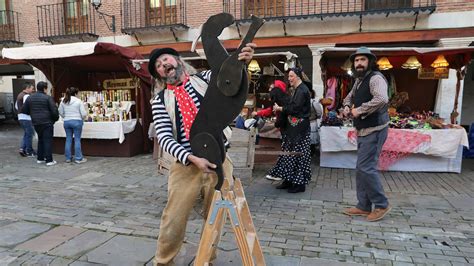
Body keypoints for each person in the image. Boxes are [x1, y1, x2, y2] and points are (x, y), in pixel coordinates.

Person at [149, 43, 256, 266]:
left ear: (177, 60)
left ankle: (207, 259)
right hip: (186, 165)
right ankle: (163, 262)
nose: (163, 65)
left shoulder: (205, 78)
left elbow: (228, 73)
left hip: (218, 160)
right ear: (159, 75)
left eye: (165, 60)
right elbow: (165, 139)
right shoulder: (160, 101)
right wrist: (190, 158)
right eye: (158, 66)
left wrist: (242, 60)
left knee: (215, 217)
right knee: (173, 219)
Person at [341, 47, 391, 222]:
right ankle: (363, 205)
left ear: (370, 61)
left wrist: (359, 110)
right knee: (362, 168)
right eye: (356, 60)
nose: (359, 63)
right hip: (363, 129)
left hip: (375, 129)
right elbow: (348, 97)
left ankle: (381, 204)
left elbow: (382, 99)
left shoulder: (376, 78)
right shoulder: (359, 80)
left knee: (366, 168)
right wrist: (347, 106)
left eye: (362, 59)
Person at [271, 67, 311, 193]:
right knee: (289, 154)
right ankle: (288, 180)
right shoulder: (297, 90)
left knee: (297, 155)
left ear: (298, 77)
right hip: (293, 128)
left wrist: (280, 109)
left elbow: (295, 108)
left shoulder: (302, 90)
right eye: (289, 76)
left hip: (299, 129)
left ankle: (299, 184)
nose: (289, 79)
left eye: (291, 76)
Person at [250, 80, 291, 181]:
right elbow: (270, 110)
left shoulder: (283, 102)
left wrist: (277, 122)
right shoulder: (280, 100)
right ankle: (281, 172)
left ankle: (281, 173)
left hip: (287, 129)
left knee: (286, 151)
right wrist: (259, 113)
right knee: (285, 150)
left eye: (271, 88)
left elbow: (279, 114)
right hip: (286, 129)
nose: (269, 90)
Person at [22, 81, 59, 166]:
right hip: (47, 122)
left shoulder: (30, 98)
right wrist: (55, 119)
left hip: (36, 122)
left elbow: (24, 110)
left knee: (41, 140)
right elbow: (54, 111)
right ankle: (49, 160)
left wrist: (32, 114)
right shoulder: (48, 98)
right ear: (45, 89)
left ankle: (40, 158)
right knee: (48, 140)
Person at [58, 87, 87, 164]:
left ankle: (68, 158)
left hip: (67, 121)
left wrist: (65, 116)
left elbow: (60, 112)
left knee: (68, 139)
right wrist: (82, 118)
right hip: (77, 121)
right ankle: (78, 158)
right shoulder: (78, 101)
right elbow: (83, 113)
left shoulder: (63, 101)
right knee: (77, 139)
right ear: (76, 93)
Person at [15, 82, 36, 157]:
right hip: (26, 118)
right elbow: (27, 106)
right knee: (29, 134)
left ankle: (22, 149)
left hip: (20, 117)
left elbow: (16, 107)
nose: (33, 90)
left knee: (26, 134)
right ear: (27, 88)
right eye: (32, 88)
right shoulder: (26, 96)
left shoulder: (19, 95)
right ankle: (29, 151)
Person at [309, 87, 323, 156]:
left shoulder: (314, 103)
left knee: (312, 139)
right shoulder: (303, 102)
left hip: (312, 123)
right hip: (305, 123)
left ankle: (312, 152)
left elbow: (319, 113)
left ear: (311, 94)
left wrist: (315, 117)